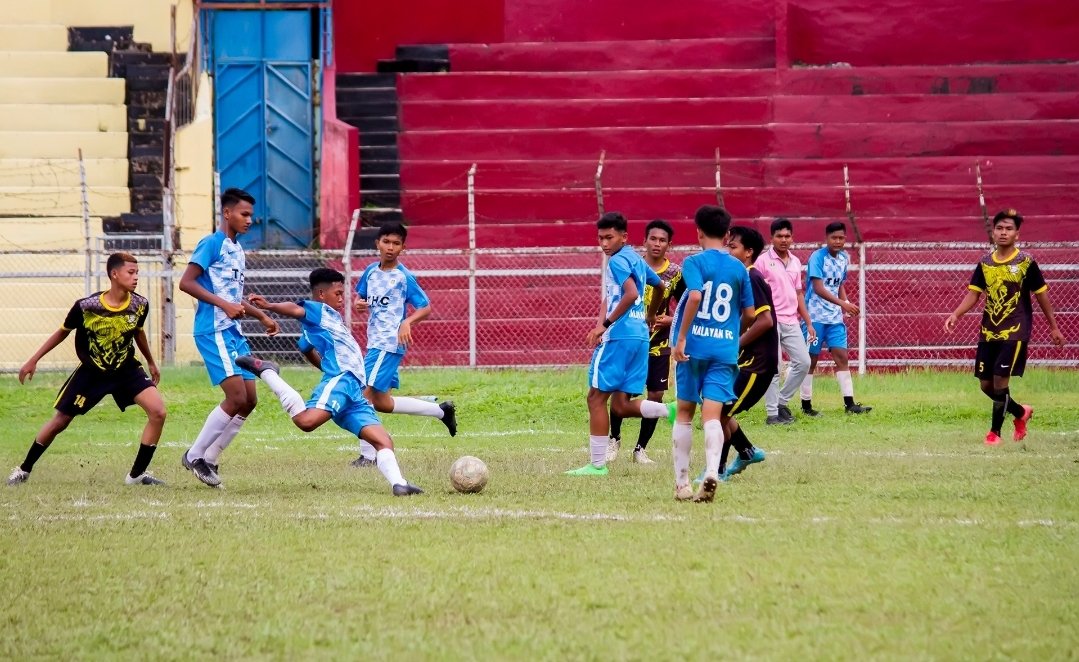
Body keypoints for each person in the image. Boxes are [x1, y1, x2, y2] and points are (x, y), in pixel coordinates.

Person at [242, 268, 423, 495]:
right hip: (342, 380)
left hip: (354, 391)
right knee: (306, 422)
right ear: (321, 294)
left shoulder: (330, 319)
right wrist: (269, 306)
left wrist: (324, 366)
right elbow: (295, 309)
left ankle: (399, 484)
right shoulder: (318, 310)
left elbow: (305, 347)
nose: (341, 298)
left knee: (383, 440)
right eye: (337, 293)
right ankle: (268, 372)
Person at [9, 252, 167, 486]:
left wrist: (151, 361)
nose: (136, 277)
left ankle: (136, 475)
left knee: (158, 412)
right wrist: (33, 360)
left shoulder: (140, 304)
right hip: (93, 372)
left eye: (137, 273)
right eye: (131, 272)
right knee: (61, 421)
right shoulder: (87, 307)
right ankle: (23, 469)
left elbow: (138, 332)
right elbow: (62, 332)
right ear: (114, 274)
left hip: (126, 369)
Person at [178, 188, 280, 488]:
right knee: (235, 397)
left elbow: (232, 295)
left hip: (234, 332)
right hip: (214, 330)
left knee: (249, 400)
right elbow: (186, 282)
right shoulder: (212, 243)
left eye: (251, 215)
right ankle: (194, 456)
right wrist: (223, 305)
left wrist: (260, 315)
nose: (249, 220)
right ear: (227, 213)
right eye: (244, 214)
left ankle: (209, 459)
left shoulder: (237, 249)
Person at [944, 209, 1065, 445]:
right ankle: (1020, 412)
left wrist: (1054, 327)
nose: (1003, 232)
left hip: (1015, 330)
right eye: (999, 228)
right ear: (993, 232)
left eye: (1009, 229)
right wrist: (956, 314)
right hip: (989, 330)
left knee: (1000, 381)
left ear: (1017, 234)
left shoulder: (1026, 263)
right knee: (986, 385)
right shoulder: (985, 263)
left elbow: (1041, 295)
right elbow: (974, 294)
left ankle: (994, 433)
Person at [565, 212, 669, 477]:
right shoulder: (635, 258)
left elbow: (631, 293)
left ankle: (597, 465)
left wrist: (605, 324)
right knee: (620, 405)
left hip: (620, 336)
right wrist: (650, 316)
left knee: (595, 398)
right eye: (600, 238)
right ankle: (667, 410)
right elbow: (660, 286)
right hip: (639, 337)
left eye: (609, 237)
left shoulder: (617, 261)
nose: (604, 243)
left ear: (624, 236)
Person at [349, 222, 456, 467]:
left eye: (396, 243)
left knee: (362, 395)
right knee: (382, 402)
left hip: (388, 344)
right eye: (386, 242)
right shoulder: (370, 271)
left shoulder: (403, 277)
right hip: (374, 342)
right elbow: (360, 297)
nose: (390, 247)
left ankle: (369, 455)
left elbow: (425, 307)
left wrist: (407, 321)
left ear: (403, 248)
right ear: (377, 243)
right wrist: (358, 304)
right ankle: (441, 411)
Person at [669, 205, 754, 502]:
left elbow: (694, 295)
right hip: (724, 349)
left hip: (694, 348)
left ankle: (682, 485)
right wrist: (730, 333)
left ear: (699, 232)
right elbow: (750, 313)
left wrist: (681, 337)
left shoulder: (693, 262)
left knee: (684, 412)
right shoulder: (739, 268)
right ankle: (712, 473)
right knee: (713, 416)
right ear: (727, 234)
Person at [608, 219, 685, 464]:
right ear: (644, 241)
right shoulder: (633, 266)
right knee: (621, 392)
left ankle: (640, 449)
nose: (657, 244)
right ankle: (614, 439)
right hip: (631, 339)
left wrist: (671, 320)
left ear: (669, 245)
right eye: (653, 239)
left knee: (656, 394)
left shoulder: (676, 273)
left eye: (662, 240)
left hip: (659, 344)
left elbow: (687, 306)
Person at [716, 226, 777, 479]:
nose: (728, 251)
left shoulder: (752, 277)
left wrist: (735, 343)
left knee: (718, 413)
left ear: (748, 252)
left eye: (733, 247)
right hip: (746, 361)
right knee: (719, 409)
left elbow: (765, 321)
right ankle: (746, 451)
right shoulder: (742, 277)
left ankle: (717, 471)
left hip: (757, 364)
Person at [800, 222, 871, 415]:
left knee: (842, 357)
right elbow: (818, 288)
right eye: (834, 238)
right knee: (810, 360)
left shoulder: (843, 258)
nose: (838, 241)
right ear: (827, 238)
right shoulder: (817, 257)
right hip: (815, 317)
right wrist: (843, 304)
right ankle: (806, 406)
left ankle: (850, 404)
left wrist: (845, 303)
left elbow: (839, 284)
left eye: (841, 238)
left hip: (834, 318)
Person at [755, 218, 816, 424]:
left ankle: (781, 402)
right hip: (770, 321)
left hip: (791, 320)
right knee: (774, 367)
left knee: (804, 362)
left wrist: (808, 322)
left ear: (792, 237)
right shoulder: (762, 261)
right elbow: (755, 290)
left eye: (787, 236)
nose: (783, 240)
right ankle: (772, 415)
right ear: (771, 238)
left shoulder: (796, 262)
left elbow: (798, 293)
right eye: (779, 236)